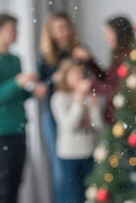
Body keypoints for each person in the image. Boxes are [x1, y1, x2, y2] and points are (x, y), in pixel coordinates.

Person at [0, 13, 47, 203]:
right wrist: (16, 83)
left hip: (19, 129)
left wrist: (32, 91)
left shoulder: (15, 59)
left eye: (16, 29)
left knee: (16, 183)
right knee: (1, 187)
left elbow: (15, 95)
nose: (16, 33)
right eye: (12, 29)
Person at [37, 12, 80, 203]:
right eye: (58, 29)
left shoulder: (78, 51)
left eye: (65, 27)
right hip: (55, 116)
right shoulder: (45, 57)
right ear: (51, 32)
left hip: (81, 112)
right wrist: (53, 80)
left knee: (82, 167)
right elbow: (40, 88)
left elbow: (94, 77)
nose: (63, 33)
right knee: (61, 169)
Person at [51, 59, 104, 203]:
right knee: (74, 195)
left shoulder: (90, 96)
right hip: (70, 155)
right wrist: (78, 100)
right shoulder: (59, 98)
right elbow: (69, 125)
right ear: (65, 77)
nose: (79, 77)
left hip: (90, 152)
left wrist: (94, 106)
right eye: (75, 74)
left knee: (91, 194)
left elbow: (99, 125)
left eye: (82, 74)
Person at [72, 16, 134, 125]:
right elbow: (108, 80)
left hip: (122, 119)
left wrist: (90, 85)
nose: (106, 38)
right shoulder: (119, 55)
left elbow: (116, 90)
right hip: (116, 118)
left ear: (118, 34)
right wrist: (90, 60)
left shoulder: (128, 57)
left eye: (108, 33)